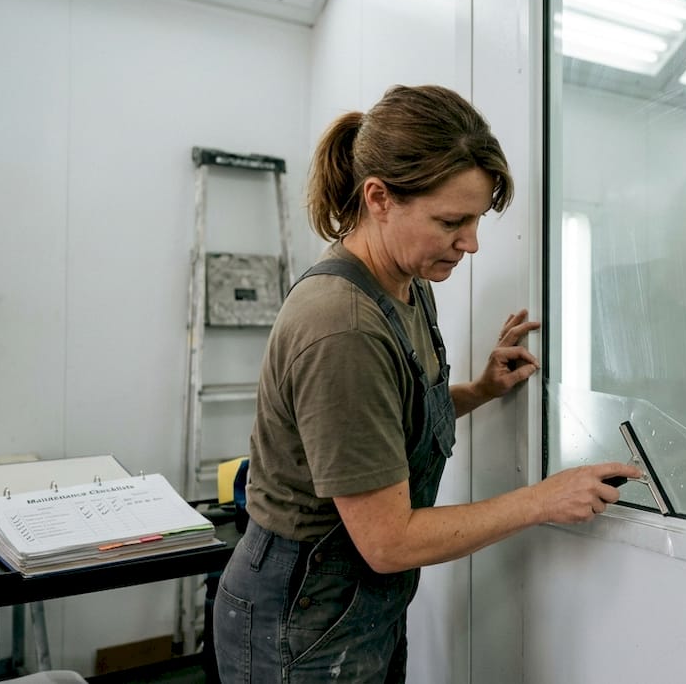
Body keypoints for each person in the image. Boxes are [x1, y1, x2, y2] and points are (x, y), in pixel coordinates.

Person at [213, 84, 640, 684]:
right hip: (299, 619)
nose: (471, 242)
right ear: (379, 198)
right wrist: (543, 498)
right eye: (451, 221)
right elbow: (387, 541)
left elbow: (389, 419)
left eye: (476, 219)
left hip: (360, 607)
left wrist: (480, 389)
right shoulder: (342, 327)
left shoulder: (408, 284)